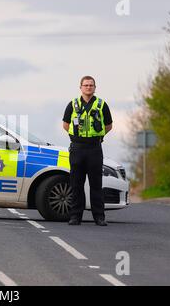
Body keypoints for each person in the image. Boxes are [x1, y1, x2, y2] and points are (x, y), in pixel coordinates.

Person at [62, 75, 113, 226]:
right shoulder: (72, 104)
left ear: (95, 88)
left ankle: (99, 217)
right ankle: (75, 216)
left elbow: (109, 125)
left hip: (94, 148)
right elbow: (65, 124)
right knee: (76, 183)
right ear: (81, 87)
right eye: (86, 85)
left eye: (91, 85)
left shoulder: (101, 104)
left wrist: (97, 137)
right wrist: (77, 137)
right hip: (77, 148)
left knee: (96, 184)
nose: (88, 88)